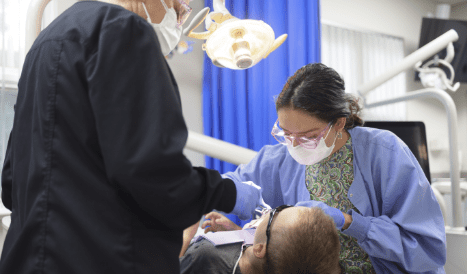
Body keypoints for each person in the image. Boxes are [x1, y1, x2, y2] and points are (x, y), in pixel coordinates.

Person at [0, 1, 265, 273]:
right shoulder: (123, 30)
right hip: (102, 259)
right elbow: (156, 178)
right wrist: (229, 193)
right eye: (180, 8)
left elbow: (10, 183)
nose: (179, 21)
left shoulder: (45, 42)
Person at [223, 63, 447, 273]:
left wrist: (350, 222)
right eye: (286, 133)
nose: (295, 145)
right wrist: (219, 204)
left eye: (309, 136)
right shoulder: (280, 159)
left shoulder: (385, 152)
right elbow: (234, 185)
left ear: (339, 123)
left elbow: (426, 252)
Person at [179, 206, 341, 274]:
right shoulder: (271, 261)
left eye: (273, 217)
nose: (268, 213)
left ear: (259, 249)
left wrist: (185, 235)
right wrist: (236, 232)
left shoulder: (207, 256)